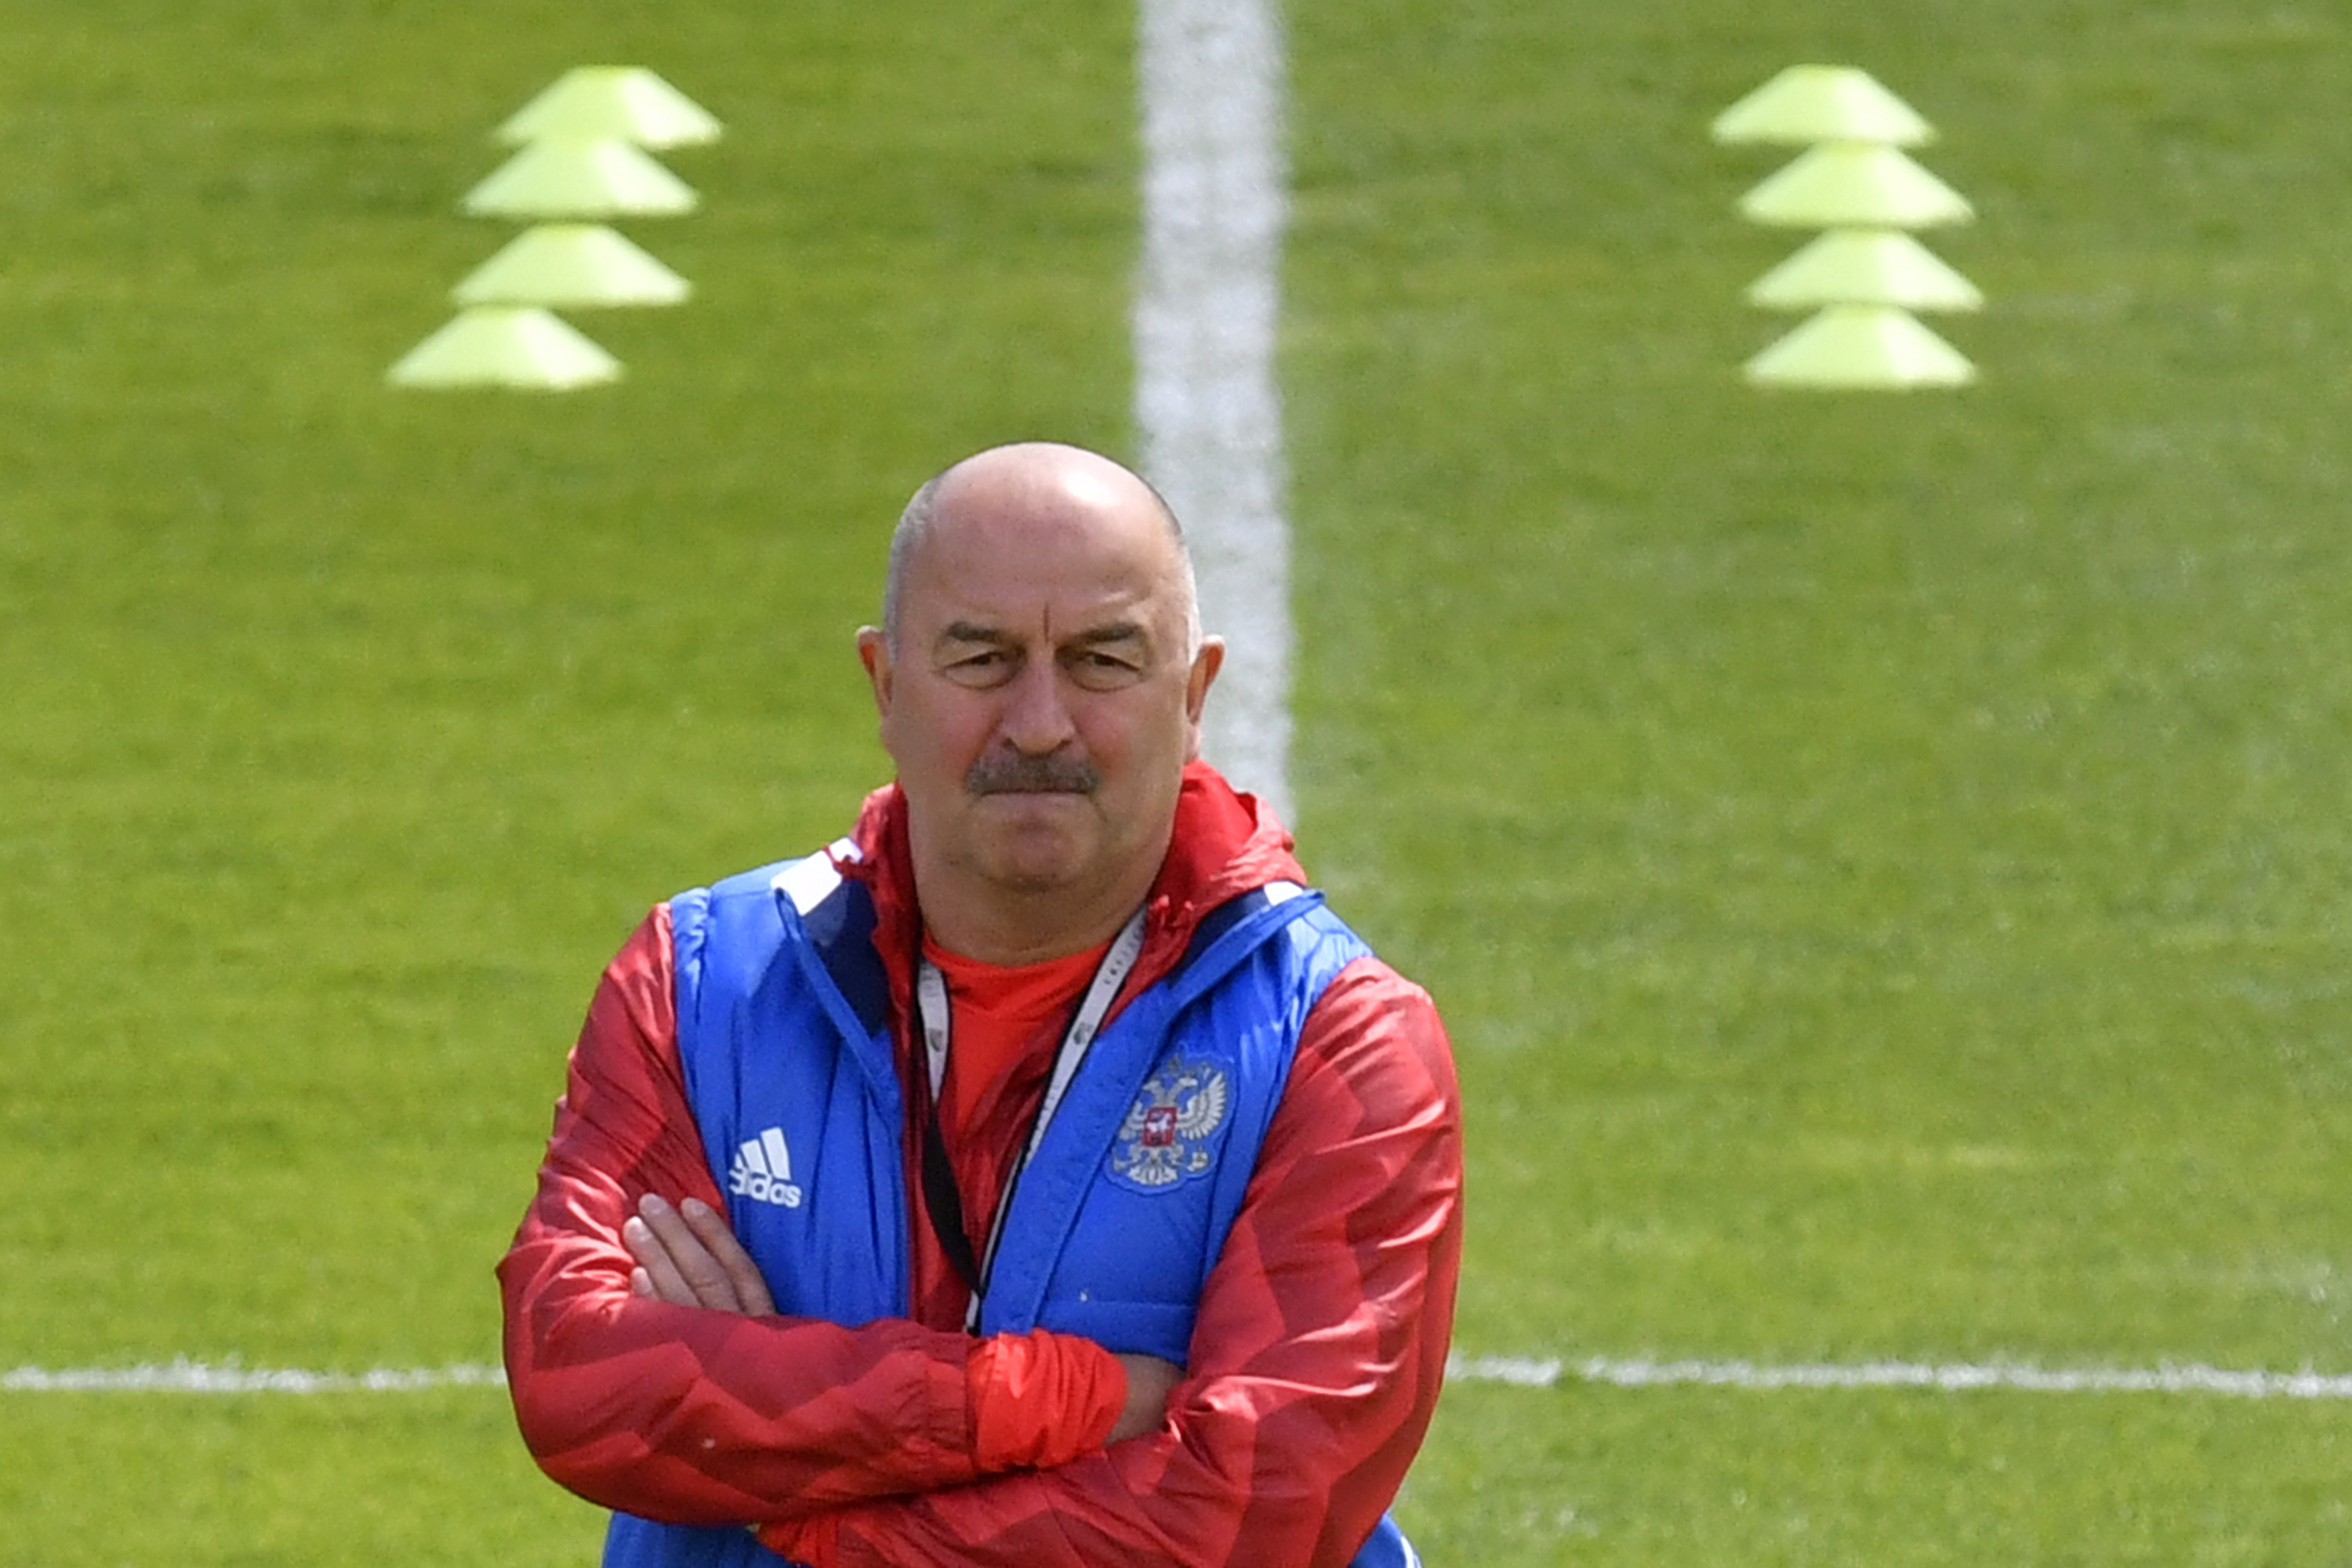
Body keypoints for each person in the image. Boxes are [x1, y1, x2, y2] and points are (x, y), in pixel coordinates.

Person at [498, 441, 1464, 1568]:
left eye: (1103, 660)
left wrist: (797, 1496)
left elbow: (1254, 1511)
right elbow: (579, 1373)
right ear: (886, 685)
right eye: (984, 659)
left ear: (1193, 695)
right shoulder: (699, 983)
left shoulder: (1344, 1044)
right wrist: (1057, 1400)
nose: (1042, 723)